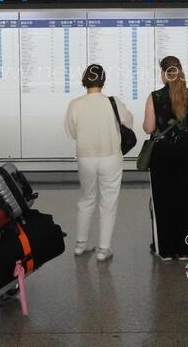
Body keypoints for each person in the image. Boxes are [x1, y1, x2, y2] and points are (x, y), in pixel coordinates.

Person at [65, 64, 133, 262]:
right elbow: (128, 122)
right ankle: (103, 249)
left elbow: (71, 131)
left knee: (86, 199)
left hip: (86, 157)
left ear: (84, 80)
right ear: (103, 81)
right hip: (111, 156)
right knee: (108, 202)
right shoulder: (113, 102)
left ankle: (80, 244)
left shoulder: (75, 104)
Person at [143, 56, 188, 261]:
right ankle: (185, 250)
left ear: (164, 74)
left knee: (163, 200)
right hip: (187, 152)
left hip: (163, 154)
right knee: (185, 199)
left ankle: (166, 250)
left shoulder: (154, 97)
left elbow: (149, 128)